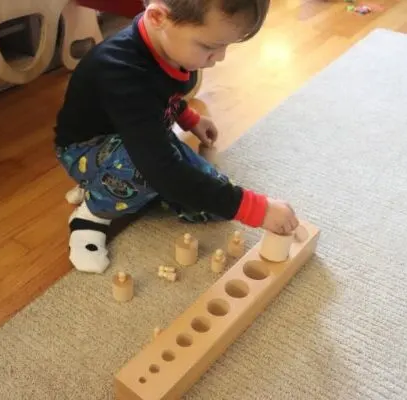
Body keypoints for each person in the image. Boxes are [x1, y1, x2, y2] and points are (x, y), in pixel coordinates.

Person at [54, 0, 299, 274]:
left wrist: (188, 118)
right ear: (159, 17)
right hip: (85, 149)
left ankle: (105, 184)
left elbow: (158, 95)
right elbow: (159, 163)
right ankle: (91, 213)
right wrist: (258, 210)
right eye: (210, 46)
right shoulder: (119, 70)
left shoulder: (169, 44)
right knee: (152, 172)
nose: (220, 57)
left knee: (206, 203)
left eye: (226, 46)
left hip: (138, 133)